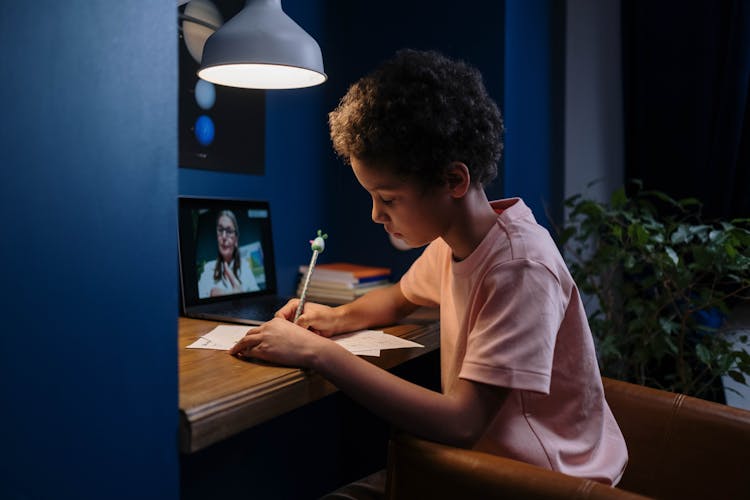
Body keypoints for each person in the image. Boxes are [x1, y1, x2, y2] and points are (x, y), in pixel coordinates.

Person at [230, 49, 628, 486]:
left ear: (453, 181)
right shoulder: (455, 242)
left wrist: (318, 354)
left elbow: (461, 423)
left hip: (544, 483)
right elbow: (401, 297)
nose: (376, 215)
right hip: (486, 465)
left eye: (389, 198)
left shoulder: (521, 267)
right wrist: (334, 319)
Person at [198, 209, 259, 298]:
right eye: (220, 230)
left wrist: (242, 296)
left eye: (229, 231)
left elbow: (257, 300)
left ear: (236, 240)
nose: (223, 236)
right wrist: (211, 294)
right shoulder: (208, 268)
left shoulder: (245, 267)